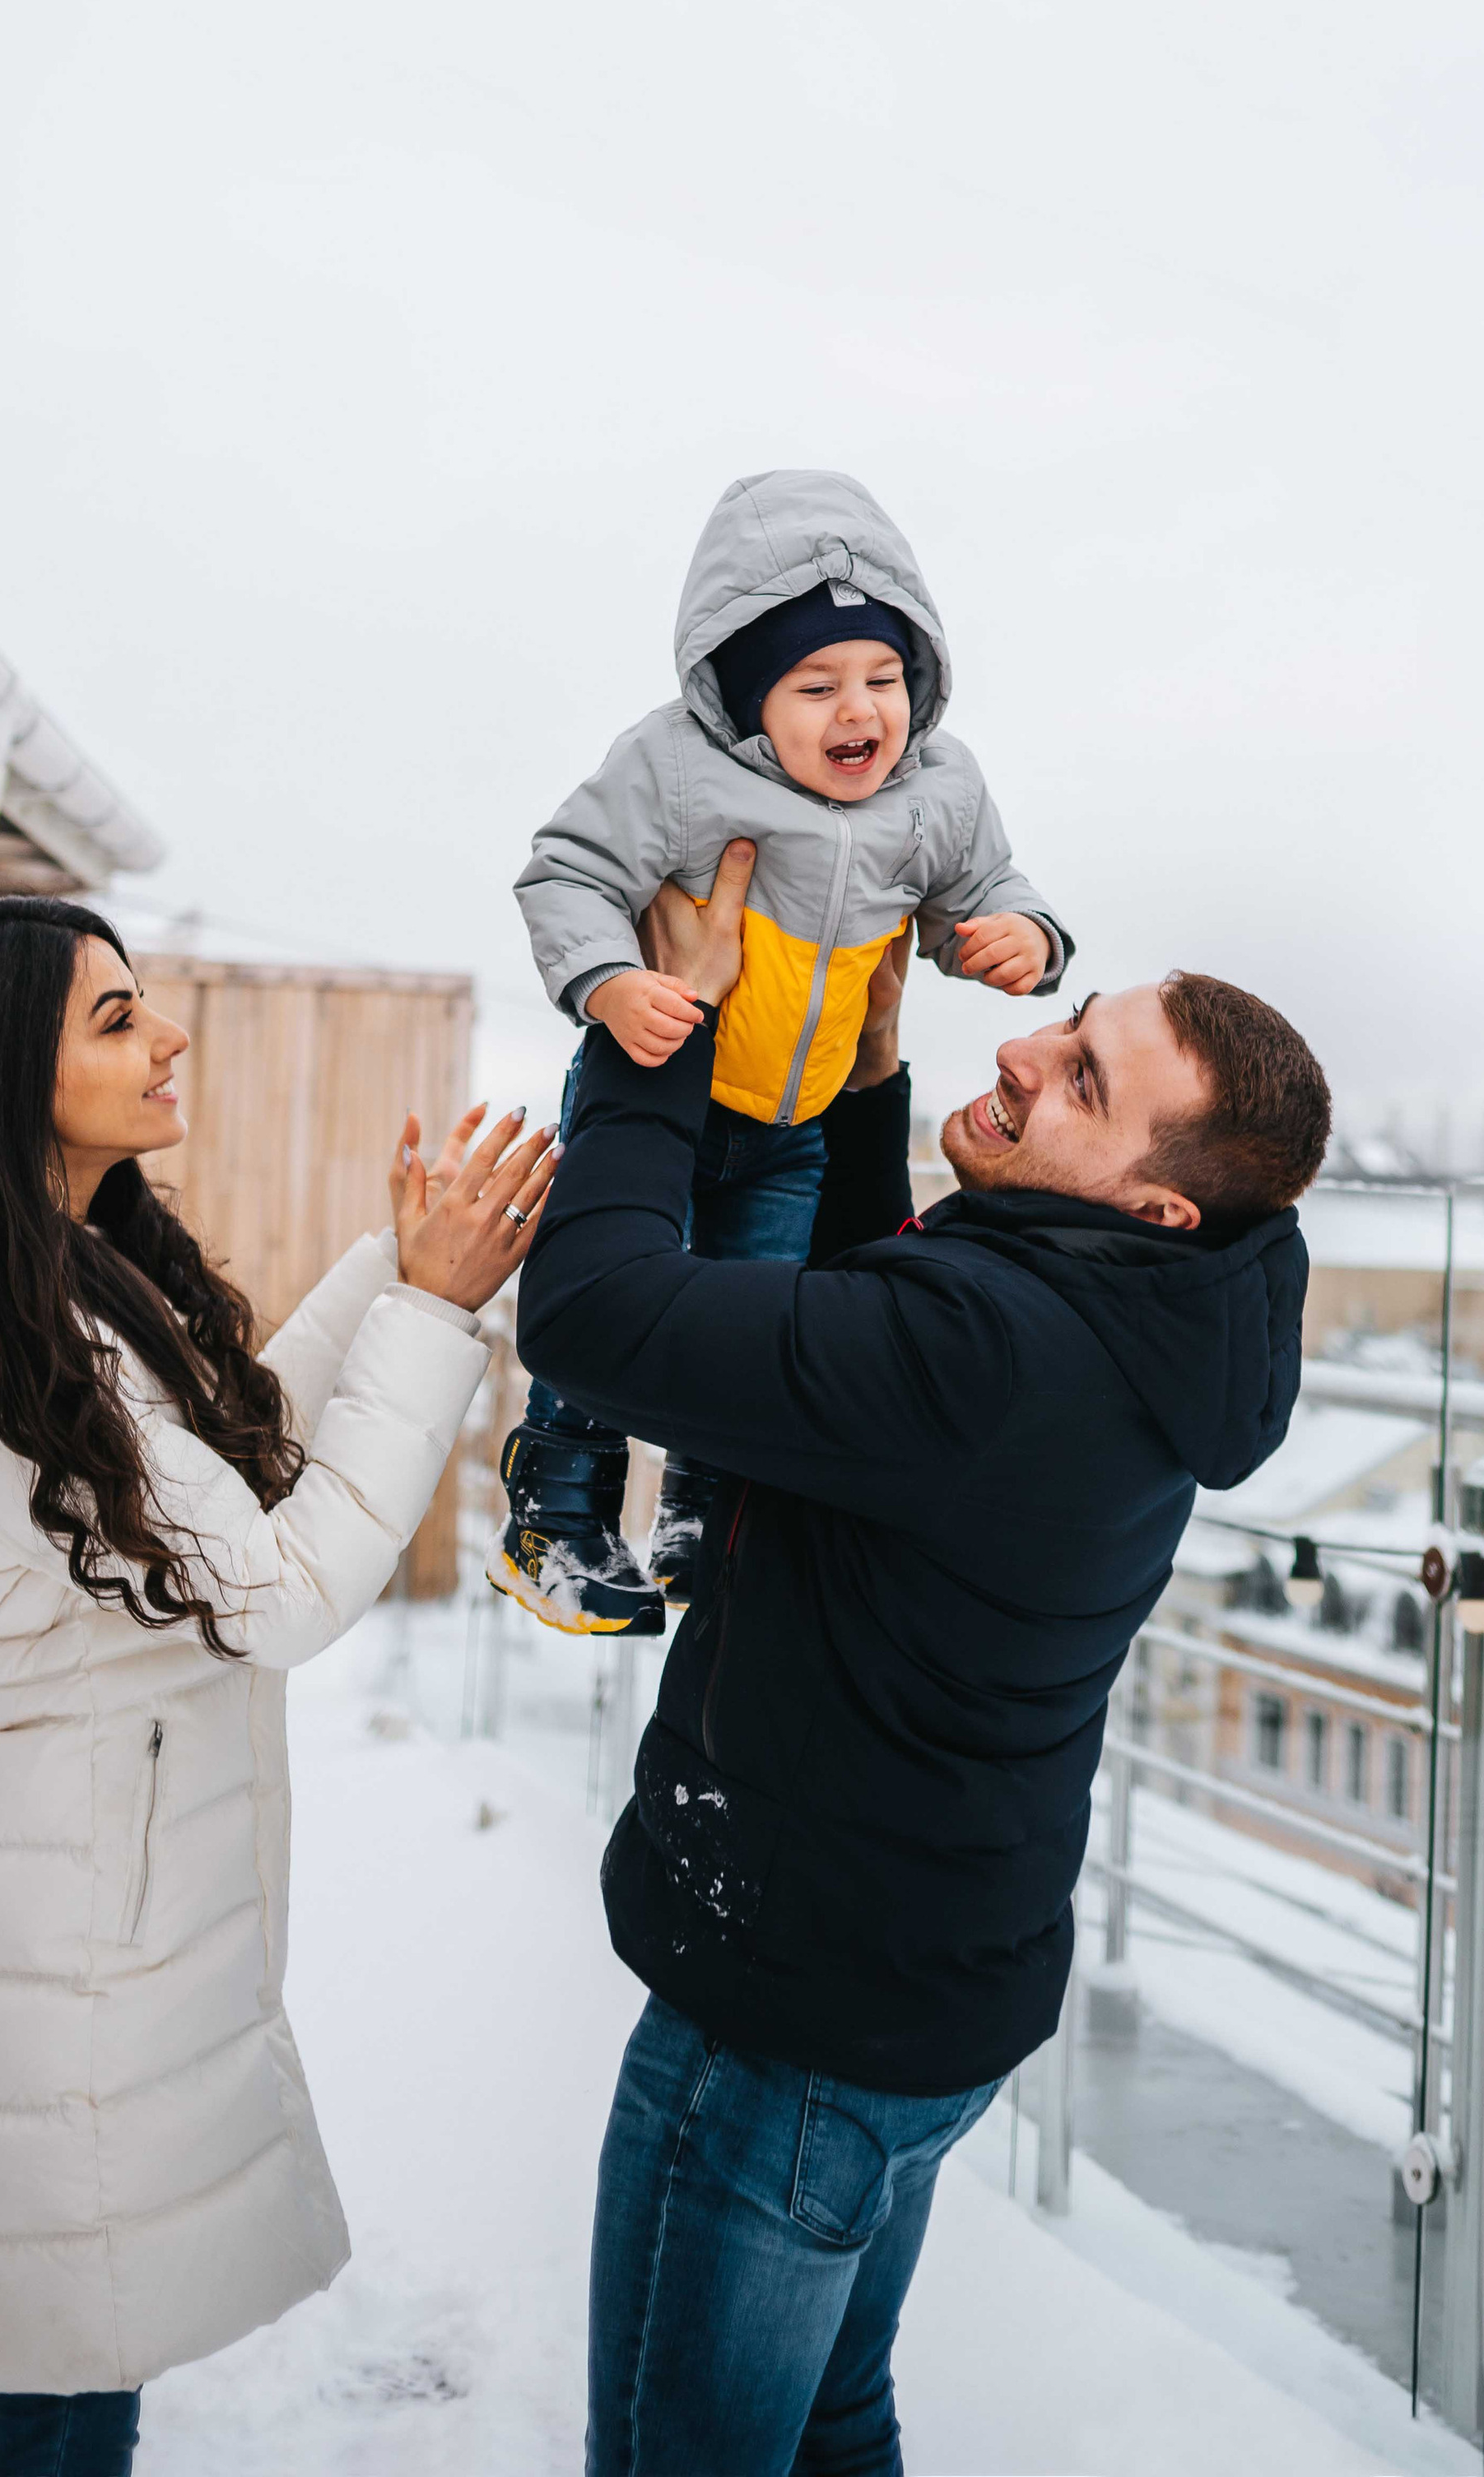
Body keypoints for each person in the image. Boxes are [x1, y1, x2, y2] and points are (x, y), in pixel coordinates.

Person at [517, 845, 1331, 2477]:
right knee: (829, 2425)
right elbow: (872, 1319)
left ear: (1154, 1199)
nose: (1023, 1047)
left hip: (786, 2033)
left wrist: (642, 1033)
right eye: (1069, 1021)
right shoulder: (1159, 1323)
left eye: (1081, 1077)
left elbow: (596, 1312)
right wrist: (870, 1072)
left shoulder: (987, 1361)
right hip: (922, 1995)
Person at [0, 895, 553, 2477]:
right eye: (114, 1018)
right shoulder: (0, 1333)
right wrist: (431, 1309)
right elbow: (279, 1588)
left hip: (38, 1909)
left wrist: (397, 1276)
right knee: (58, 2379)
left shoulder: (33, 1271)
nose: (167, 1033)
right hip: (62, 1955)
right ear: (8, 1077)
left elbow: (212, 1460)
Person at [504, 468, 1071, 1633]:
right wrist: (609, 987)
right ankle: (557, 1509)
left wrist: (1023, 938)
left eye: (883, 678)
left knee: (751, 1316)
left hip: (791, 1127)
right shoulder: (674, 770)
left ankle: (699, 1519)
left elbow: (982, 893)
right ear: (743, 694)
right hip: (666, 1088)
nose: (857, 711)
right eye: (814, 685)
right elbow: (568, 871)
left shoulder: (940, 793)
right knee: (617, 1301)